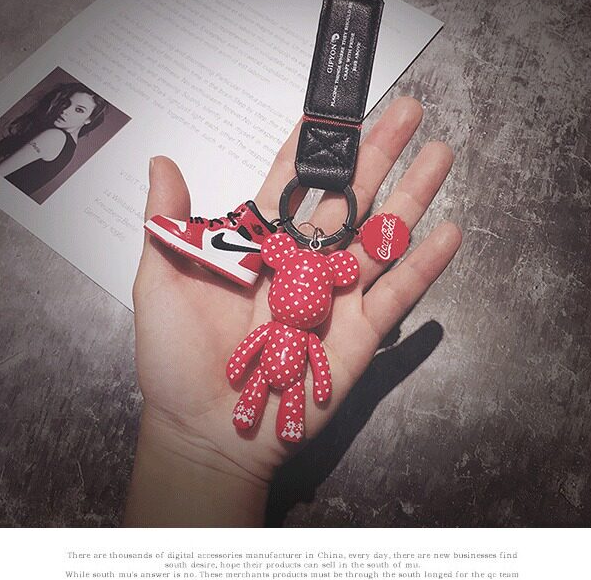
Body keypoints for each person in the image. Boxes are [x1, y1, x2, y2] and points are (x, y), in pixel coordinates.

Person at [125, 96, 462, 526]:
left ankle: (279, 418)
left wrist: (318, 382)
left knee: (293, 397)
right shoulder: (280, 324)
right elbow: (253, 349)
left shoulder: (306, 331)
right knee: (260, 385)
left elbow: (314, 363)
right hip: (268, 366)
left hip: (284, 364)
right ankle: (253, 410)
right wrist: (197, 431)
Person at [0, 82, 107, 197]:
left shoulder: (55, 136)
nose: (65, 111)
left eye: (79, 110)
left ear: (89, 119)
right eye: (66, 103)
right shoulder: (70, 146)